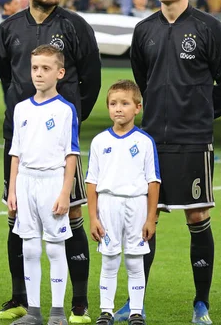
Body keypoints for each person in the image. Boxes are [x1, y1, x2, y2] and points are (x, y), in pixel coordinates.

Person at [130, 0, 221, 325]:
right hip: (152, 140)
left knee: (198, 215)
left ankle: (201, 304)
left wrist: (202, 116)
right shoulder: (144, 30)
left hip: (193, 140)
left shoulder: (210, 28)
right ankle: (135, 302)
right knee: (147, 218)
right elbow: (142, 79)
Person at [0, 0, 101, 323]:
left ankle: (78, 302)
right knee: (16, 219)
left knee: (71, 216)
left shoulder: (75, 26)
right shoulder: (9, 28)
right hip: (21, 143)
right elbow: (7, 79)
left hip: (60, 147)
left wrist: (64, 124)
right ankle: (20, 299)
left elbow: (92, 80)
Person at [6, 44, 80, 325]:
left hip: (52, 181)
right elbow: (16, 153)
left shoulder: (65, 110)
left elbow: (70, 154)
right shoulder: (21, 108)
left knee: (53, 247)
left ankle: (58, 313)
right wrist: (12, 190)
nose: (39, 73)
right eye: (35, 68)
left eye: (46, 68)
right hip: (25, 182)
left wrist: (65, 192)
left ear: (59, 72)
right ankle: (34, 312)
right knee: (30, 247)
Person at [85, 80, 160, 325]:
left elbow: (153, 182)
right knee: (109, 260)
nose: (118, 109)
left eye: (125, 103)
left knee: (135, 261)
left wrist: (150, 218)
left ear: (137, 108)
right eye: (113, 103)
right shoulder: (99, 142)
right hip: (108, 207)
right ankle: (106, 311)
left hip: (136, 207)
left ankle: (136, 311)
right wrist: (93, 217)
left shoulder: (145, 141)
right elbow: (92, 182)